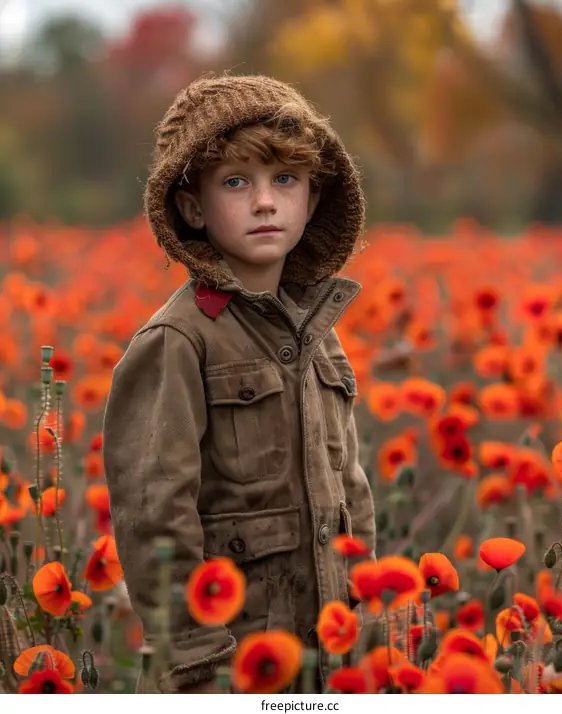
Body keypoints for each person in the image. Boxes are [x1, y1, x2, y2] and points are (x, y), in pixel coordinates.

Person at [102, 73, 376, 694]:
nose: (264, 202)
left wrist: (371, 612)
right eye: (236, 182)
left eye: (285, 179)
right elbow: (155, 516)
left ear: (312, 197)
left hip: (329, 653)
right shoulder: (178, 341)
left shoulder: (318, 331)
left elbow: (349, 486)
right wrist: (197, 660)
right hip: (233, 662)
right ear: (192, 206)